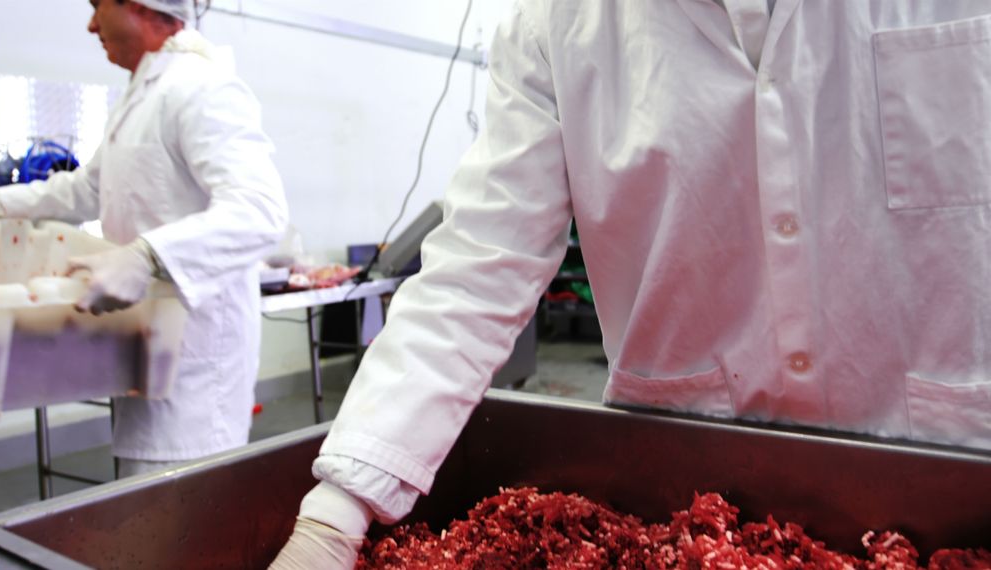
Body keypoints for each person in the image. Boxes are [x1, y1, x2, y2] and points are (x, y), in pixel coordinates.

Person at [269, 0, 991, 567]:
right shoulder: (558, 19)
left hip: (945, 477)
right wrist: (336, 515)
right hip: (682, 500)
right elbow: (476, 270)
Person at [0, 0, 288, 477]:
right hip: (146, 344)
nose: (90, 24)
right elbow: (88, 188)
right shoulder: (143, 93)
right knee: (147, 499)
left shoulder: (202, 86)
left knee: (176, 512)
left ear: (140, 6)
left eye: (96, 5)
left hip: (195, 365)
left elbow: (259, 210)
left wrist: (147, 257)